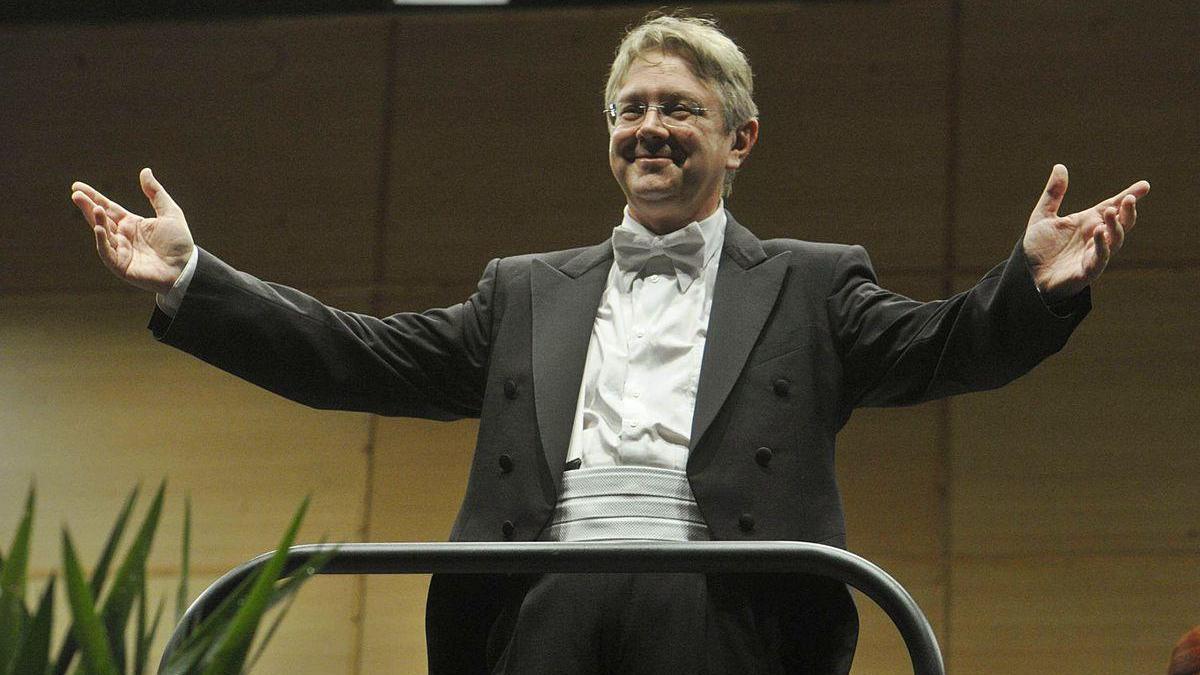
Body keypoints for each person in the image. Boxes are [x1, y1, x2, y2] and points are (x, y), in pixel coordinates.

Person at [70, 13, 1147, 675]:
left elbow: (946, 347)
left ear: (740, 137)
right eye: (629, 107)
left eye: (679, 107)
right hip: (543, 592)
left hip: (726, 606)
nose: (648, 127)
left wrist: (1032, 285)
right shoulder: (524, 291)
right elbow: (355, 355)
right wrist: (196, 283)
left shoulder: (813, 285)